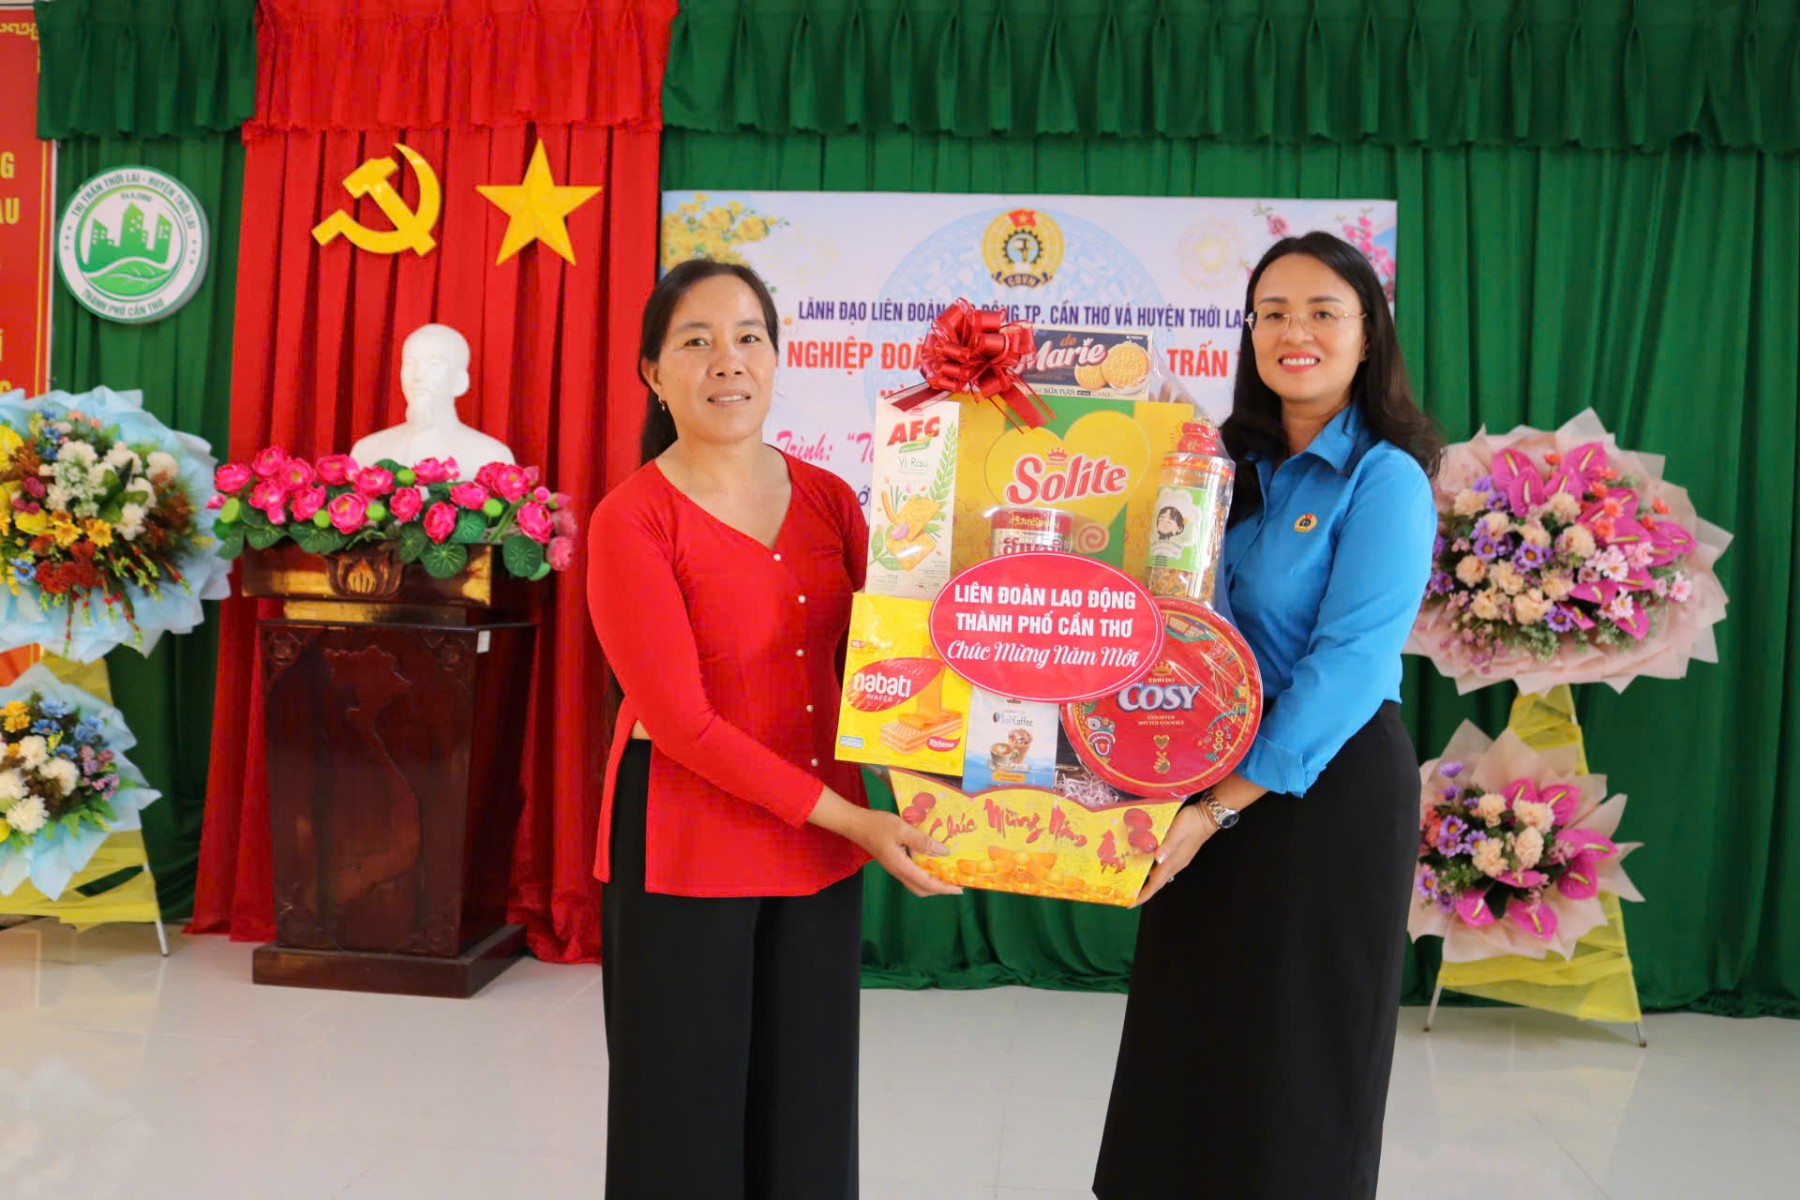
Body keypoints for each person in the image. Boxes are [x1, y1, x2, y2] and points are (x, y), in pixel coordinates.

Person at [586, 259, 960, 1200]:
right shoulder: (632, 519)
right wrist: (856, 820)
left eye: (748, 336)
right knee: (682, 1121)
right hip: (686, 844)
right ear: (653, 373)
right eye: (696, 341)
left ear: (776, 357)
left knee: (808, 1113)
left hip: (819, 851)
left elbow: (897, 660)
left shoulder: (831, 498)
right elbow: (682, 724)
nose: (728, 360)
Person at [1094, 231, 1441, 1200]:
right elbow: (1162, 622)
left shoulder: (1385, 478)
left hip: (1322, 794)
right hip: (1202, 782)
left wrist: (1215, 810)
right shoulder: (1221, 468)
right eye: (1274, 313)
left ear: (1368, 335)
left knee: (1298, 1076)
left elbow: (1348, 668)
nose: (1297, 333)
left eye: (1324, 312)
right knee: (1187, 1055)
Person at [351, 323, 515, 467]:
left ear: (460, 380)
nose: (418, 376)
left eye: (434, 363)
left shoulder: (491, 456)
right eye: (409, 362)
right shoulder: (366, 451)